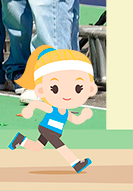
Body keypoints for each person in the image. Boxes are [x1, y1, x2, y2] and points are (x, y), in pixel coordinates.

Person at [8, 45, 96, 173]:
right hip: (47, 129)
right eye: (55, 89)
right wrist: (28, 110)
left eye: (78, 89)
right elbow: (37, 104)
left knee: (37, 147)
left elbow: (76, 120)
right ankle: (76, 163)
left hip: (54, 131)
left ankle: (20, 140)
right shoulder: (53, 109)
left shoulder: (65, 112)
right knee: (61, 146)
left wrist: (84, 116)